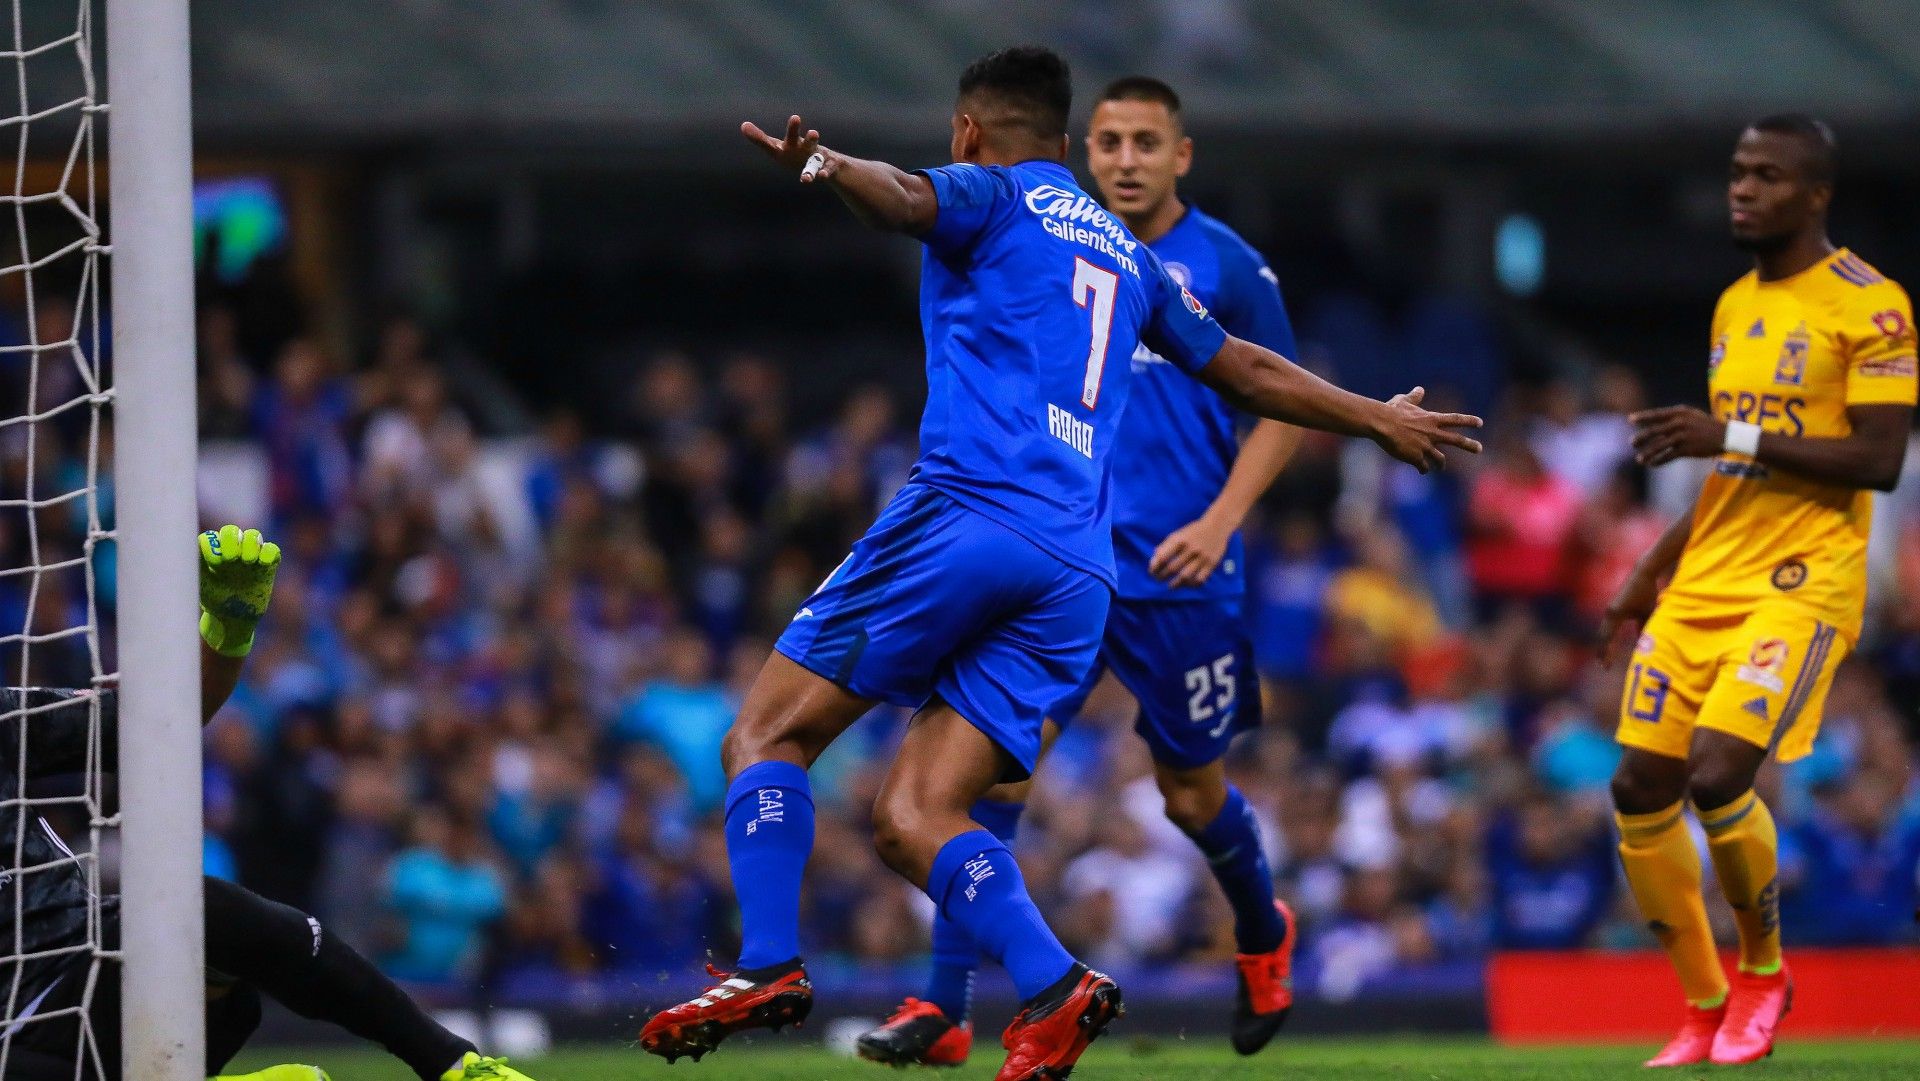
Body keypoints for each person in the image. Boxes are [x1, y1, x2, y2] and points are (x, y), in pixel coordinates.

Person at [638, 45, 1481, 1081]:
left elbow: (902, 199)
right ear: (1074, 142)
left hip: (969, 516)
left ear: (969, 132)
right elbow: (1246, 368)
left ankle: (767, 960)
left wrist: (823, 167)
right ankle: (1054, 985)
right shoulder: (1130, 257)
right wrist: (1371, 419)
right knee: (920, 818)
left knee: (765, 732)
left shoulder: (987, 195)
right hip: (1080, 566)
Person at [857, 75, 1305, 1068]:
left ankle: (1262, 929)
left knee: (1191, 795)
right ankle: (945, 1008)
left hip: (1180, 573)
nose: (1128, 159)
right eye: (1111, 142)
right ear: (1082, 149)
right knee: (986, 783)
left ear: (1181, 154)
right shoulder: (1056, 237)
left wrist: (1222, 517)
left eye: (1148, 142)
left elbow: (1277, 396)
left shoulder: (1224, 264)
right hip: (1062, 561)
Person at [1598, 115, 1916, 1068]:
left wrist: (1723, 436)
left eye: (1766, 176)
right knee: (1637, 782)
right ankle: (1702, 1006)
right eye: (1738, 173)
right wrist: (1651, 567)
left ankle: (1765, 974)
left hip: (1804, 578)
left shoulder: (1873, 305)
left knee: (1718, 771)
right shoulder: (1735, 304)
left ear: (1815, 194)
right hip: (1705, 577)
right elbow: (1733, 468)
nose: (1743, 189)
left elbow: (1880, 459)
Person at [0, 526, 535, 1081]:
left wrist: (227, 631)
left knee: (199, 910)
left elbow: (149, 728)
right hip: (21, 1037)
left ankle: (455, 1066)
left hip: (97, 966)